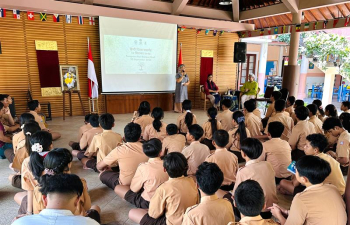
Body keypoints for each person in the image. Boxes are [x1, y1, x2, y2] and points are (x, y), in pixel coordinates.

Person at [270, 155, 347, 225]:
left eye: (296, 172)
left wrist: (278, 215)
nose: (295, 173)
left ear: (303, 179)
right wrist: (286, 212)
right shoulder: (333, 188)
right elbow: (315, 212)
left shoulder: (301, 199)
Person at [128, 152, 199, 225]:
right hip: (189, 220)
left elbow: (154, 214)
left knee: (132, 212)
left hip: (172, 222)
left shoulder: (164, 188)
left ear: (164, 169)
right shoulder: (192, 181)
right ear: (186, 167)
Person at [12, 174, 100, 225]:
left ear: (44, 199)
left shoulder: (20, 223)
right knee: (95, 208)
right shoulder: (90, 223)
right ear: (77, 201)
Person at [279, 134, 345, 196]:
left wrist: (295, 173)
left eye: (307, 146)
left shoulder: (311, 162)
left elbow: (295, 184)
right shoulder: (327, 157)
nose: (304, 147)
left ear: (315, 150)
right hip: (340, 192)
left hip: (326, 194)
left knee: (283, 182)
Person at [227, 138, 277, 219]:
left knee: (228, 197)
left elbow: (236, 194)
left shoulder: (243, 171)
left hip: (256, 211)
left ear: (243, 154)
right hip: (271, 209)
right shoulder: (268, 165)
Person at [114, 139, 169, 209]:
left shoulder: (143, 167)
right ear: (161, 152)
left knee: (118, 188)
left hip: (148, 201)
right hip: (166, 199)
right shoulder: (168, 164)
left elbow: (134, 189)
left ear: (145, 152)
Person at [97, 123, 148, 190]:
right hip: (144, 181)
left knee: (102, 175)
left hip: (126, 184)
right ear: (140, 137)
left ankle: (124, 190)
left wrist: (103, 171)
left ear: (124, 136)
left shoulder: (119, 149)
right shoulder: (148, 148)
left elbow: (99, 166)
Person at [15, 131, 53, 217]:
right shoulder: (57, 158)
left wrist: (29, 212)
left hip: (38, 204)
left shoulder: (27, 162)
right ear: (51, 145)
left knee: (17, 196)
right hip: (59, 201)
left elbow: (30, 189)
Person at [9, 122, 41, 189]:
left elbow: (21, 170)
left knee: (11, 176)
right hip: (46, 183)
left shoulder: (22, 147)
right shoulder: (44, 145)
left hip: (32, 184)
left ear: (24, 133)